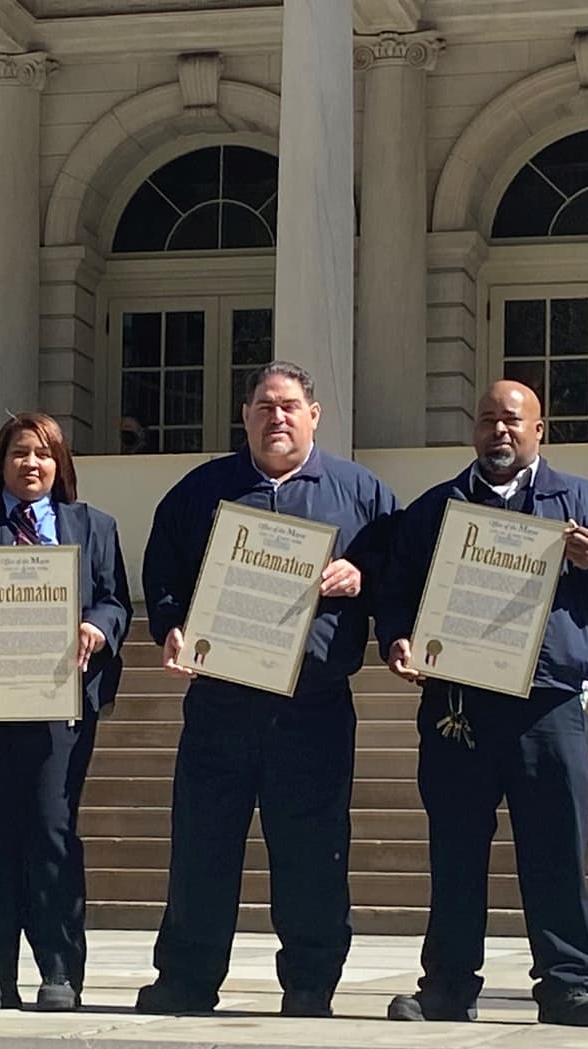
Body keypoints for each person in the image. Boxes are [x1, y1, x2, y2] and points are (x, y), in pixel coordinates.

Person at [376, 380, 588, 1028]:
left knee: (555, 850)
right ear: (474, 429)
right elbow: (396, 591)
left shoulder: (580, 504)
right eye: (489, 420)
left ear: (539, 430)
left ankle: (566, 987)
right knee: (457, 851)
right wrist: (398, 639)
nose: (500, 431)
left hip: (547, 708)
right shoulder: (437, 509)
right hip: (458, 706)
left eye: (513, 421)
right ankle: (446, 987)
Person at [138, 361, 397, 1018]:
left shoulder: (360, 494)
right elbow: (165, 576)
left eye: (288, 406)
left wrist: (360, 572)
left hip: (312, 708)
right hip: (222, 703)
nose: (276, 417)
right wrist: (169, 629)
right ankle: (186, 980)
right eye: (263, 406)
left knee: (313, 851)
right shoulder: (202, 492)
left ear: (314, 415)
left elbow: (400, 575)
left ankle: (311, 983)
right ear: (245, 415)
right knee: (203, 844)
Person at [0, 412, 132, 1012]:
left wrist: (98, 627)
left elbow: (115, 598)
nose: (31, 464)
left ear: (60, 465)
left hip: (57, 707)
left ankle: (60, 972)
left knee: (51, 832)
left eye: (44, 454)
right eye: (19, 453)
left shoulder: (95, 527)